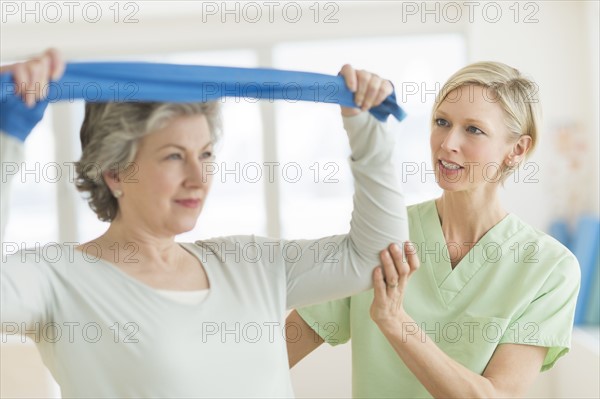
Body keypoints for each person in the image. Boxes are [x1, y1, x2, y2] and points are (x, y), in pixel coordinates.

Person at [0, 49, 409, 397]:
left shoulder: (250, 263)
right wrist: (7, 138)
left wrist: (363, 124)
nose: (198, 177)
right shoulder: (58, 279)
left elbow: (375, 256)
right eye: (174, 156)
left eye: (207, 154)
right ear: (115, 172)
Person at [287, 61, 581, 398]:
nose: (447, 143)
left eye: (473, 130)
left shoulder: (549, 268)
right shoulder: (382, 234)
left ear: (517, 150)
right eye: (442, 122)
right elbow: (281, 351)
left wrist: (396, 321)